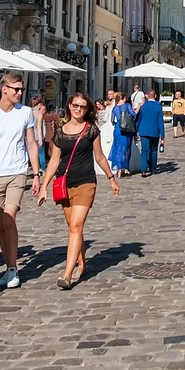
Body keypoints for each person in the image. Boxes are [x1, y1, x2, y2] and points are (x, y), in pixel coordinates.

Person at [36, 92, 119, 288]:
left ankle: (67, 273)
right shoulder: (60, 131)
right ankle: (81, 262)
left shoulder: (91, 130)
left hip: (85, 183)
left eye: (82, 106)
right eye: (75, 105)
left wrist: (111, 178)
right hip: (64, 184)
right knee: (73, 227)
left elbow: (99, 157)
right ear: (69, 106)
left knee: (75, 225)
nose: (78, 109)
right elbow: (54, 161)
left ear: (87, 109)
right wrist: (43, 187)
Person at [0, 72, 41, 289]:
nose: (20, 93)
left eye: (21, 89)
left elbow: (31, 143)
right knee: (0, 222)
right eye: (16, 89)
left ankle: (13, 269)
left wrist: (37, 174)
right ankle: (8, 265)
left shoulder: (26, 113)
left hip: (17, 171)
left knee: (9, 217)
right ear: (4, 89)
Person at [136, 88, 165, 177]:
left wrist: (136, 130)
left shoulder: (143, 106)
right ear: (155, 96)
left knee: (144, 150)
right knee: (153, 150)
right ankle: (153, 168)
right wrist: (163, 134)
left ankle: (143, 170)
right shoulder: (158, 106)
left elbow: (139, 119)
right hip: (155, 130)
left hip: (144, 130)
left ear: (147, 96)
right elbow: (160, 121)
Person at [109, 91, 137, 177]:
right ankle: (124, 168)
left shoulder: (114, 108)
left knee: (117, 148)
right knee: (126, 149)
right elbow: (134, 114)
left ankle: (118, 168)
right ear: (123, 98)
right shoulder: (127, 106)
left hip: (117, 129)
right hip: (126, 130)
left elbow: (112, 120)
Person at [30, 92, 48, 173]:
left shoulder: (29, 113)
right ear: (38, 104)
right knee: (41, 154)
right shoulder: (39, 114)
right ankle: (43, 170)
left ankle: (35, 170)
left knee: (33, 154)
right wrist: (41, 138)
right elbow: (39, 127)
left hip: (30, 136)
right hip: (38, 136)